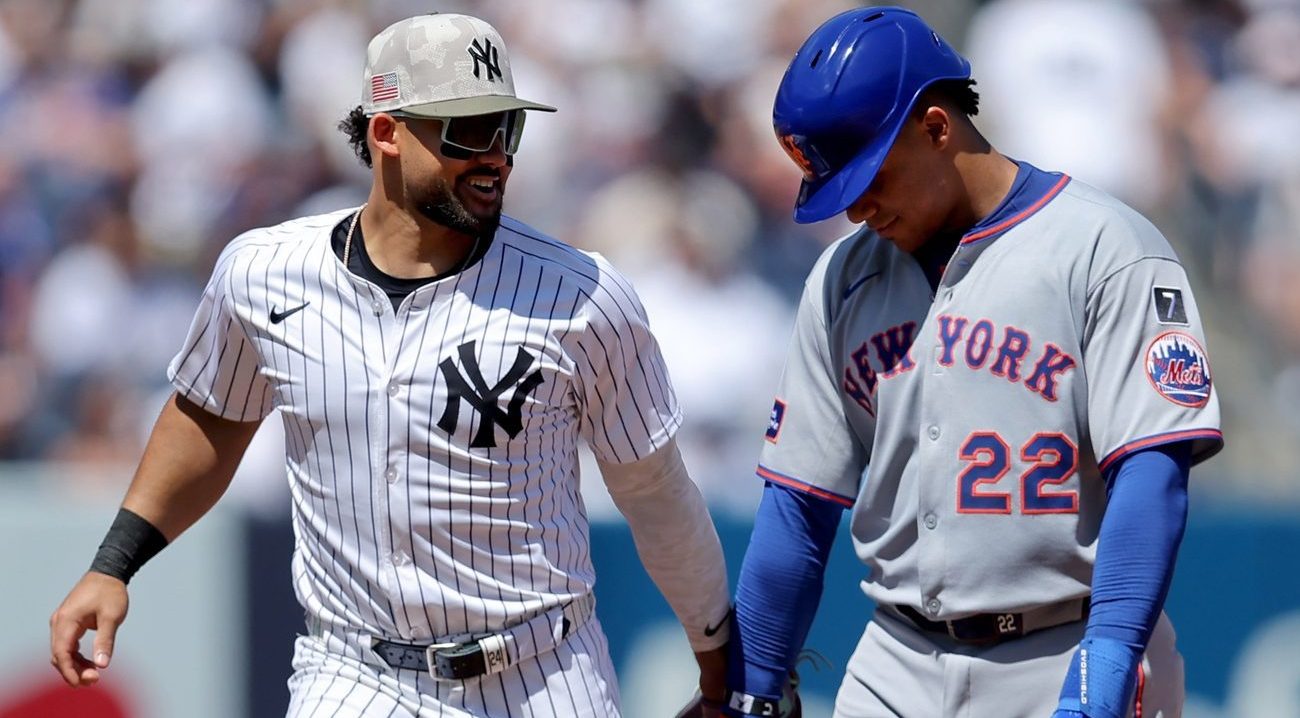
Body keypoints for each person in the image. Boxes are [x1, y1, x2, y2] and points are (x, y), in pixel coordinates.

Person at [48, 13, 732, 717]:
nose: (494, 155)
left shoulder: (582, 296)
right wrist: (113, 566)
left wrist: (721, 668)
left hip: (541, 669)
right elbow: (211, 420)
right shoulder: (264, 275)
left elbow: (655, 490)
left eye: (507, 128)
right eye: (467, 130)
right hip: (351, 670)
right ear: (385, 131)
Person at [723, 7, 1222, 718]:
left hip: (1066, 645)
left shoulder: (1105, 248)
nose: (857, 209)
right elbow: (798, 504)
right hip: (894, 661)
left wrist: (1106, 661)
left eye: (871, 178)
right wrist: (753, 683)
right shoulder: (842, 278)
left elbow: (1151, 474)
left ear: (936, 127)